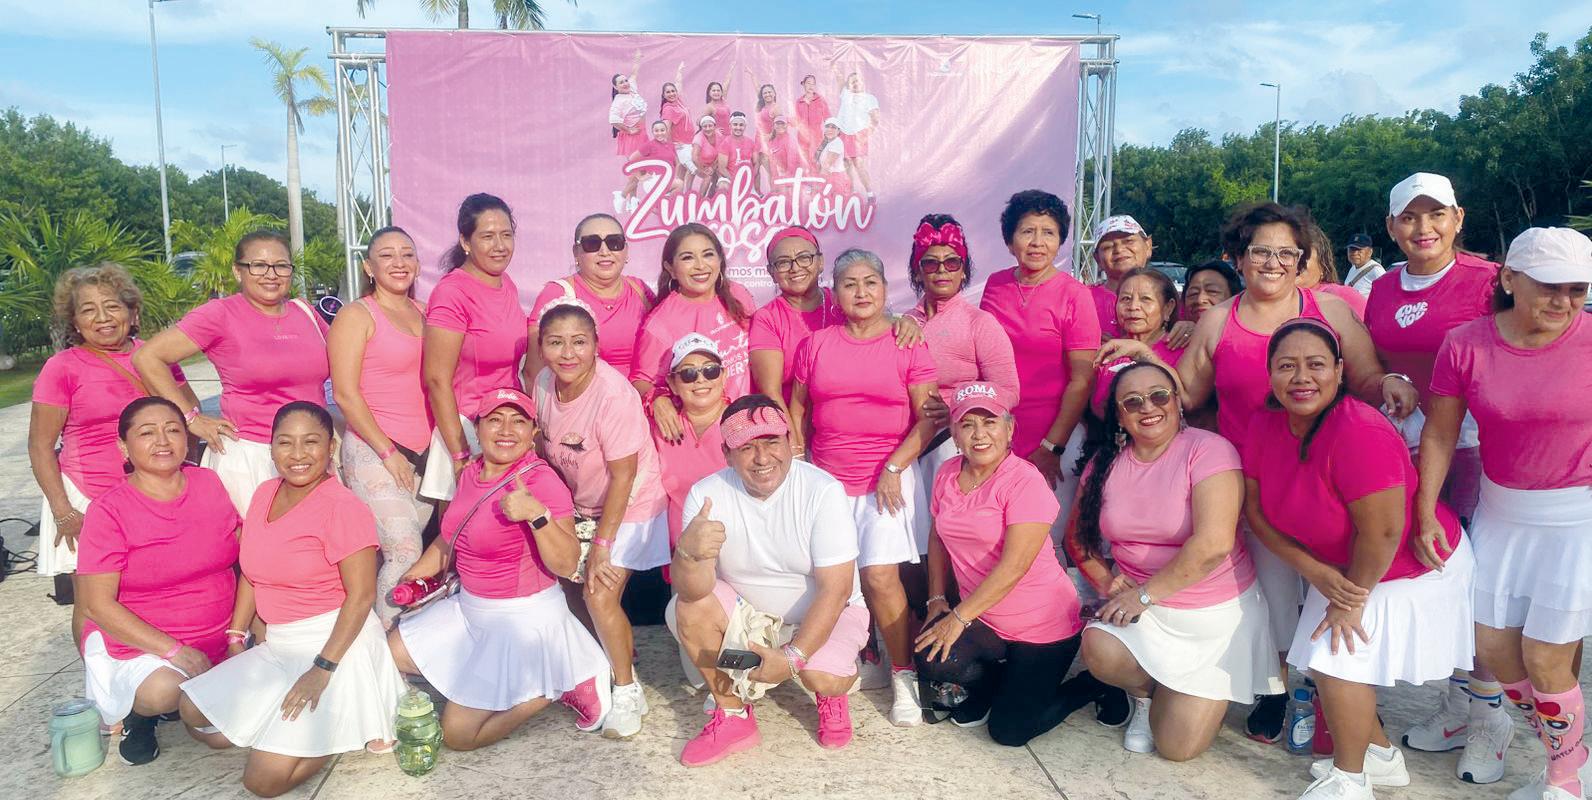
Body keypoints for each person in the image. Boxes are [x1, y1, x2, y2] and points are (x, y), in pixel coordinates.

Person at [1099, 201, 1416, 742]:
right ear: (1239, 258)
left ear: (1302, 259)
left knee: (1341, 592)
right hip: (1254, 487)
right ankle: (1282, 692)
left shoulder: (1331, 310)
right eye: (1260, 251)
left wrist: (1392, 382)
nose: (1272, 262)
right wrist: (1148, 352)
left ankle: (1347, 704)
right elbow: (1186, 395)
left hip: (1329, 482)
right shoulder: (1218, 320)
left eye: (1285, 253)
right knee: (1277, 599)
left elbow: (1365, 377)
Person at [1244, 319, 1472, 800]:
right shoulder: (1264, 423)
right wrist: (1313, 570)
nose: (1301, 377)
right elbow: (1257, 512)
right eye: (1286, 366)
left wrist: (1350, 599)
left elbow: (1384, 532)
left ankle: (1350, 779)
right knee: (1326, 661)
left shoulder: (1360, 430)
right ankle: (1382, 759)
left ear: (1340, 370)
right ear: (1270, 374)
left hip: (1405, 566)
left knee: (1335, 661)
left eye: (1315, 365)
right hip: (1337, 567)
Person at [1419, 227, 1592, 800]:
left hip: (1578, 519)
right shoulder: (1465, 344)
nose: (1564, 301)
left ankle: (1564, 779)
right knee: (1492, 651)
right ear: (1511, 279)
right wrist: (1425, 509)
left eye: (1577, 289)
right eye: (1550, 287)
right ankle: (1571, 753)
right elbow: (1440, 434)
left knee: (1546, 657)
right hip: (1501, 513)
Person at [179, 402, 405, 798]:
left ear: (330, 447)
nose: (298, 454)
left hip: (336, 644)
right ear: (270, 448)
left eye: (311, 442)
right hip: (279, 645)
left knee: (262, 781)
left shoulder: (343, 507)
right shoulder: (265, 493)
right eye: (285, 442)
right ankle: (301, 724)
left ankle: (345, 728)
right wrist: (236, 635)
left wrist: (321, 669)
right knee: (197, 716)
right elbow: (253, 571)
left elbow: (362, 596)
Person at [1365, 172, 1507, 778]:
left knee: (1481, 579)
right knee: (1437, 566)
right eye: (1409, 217)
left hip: (1475, 448)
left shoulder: (1489, 281)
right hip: (1406, 449)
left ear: (1458, 219)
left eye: (1436, 214)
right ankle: (1456, 705)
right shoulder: (1381, 288)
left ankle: (1490, 717)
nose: (1423, 228)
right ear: (1392, 226)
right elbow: (1377, 359)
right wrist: (1389, 381)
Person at [1069, 363, 1282, 760]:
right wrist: (1107, 581)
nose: (1148, 407)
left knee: (1176, 749)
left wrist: (1143, 596)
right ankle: (1144, 696)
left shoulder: (1209, 449)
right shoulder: (1105, 463)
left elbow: (1214, 544)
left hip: (1211, 615)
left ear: (1177, 402)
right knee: (1098, 648)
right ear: (1119, 416)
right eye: (1132, 402)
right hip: (1143, 609)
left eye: (1159, 396)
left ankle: (1178, 688)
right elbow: (1077, 538)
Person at [389, 387, 612, 750]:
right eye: (495, 420)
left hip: (517, 621)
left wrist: (536, 515)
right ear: (477, 429)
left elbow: (567, 563)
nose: (506, 430)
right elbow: (448, 538)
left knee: (459, 736)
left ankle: (549, 688)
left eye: (518, 421)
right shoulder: (470, 472)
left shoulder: (541, 482)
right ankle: (502, 681)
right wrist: (415, 575)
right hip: (470, 610)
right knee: (393, 652)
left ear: (532, 433)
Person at [667, 395, 871, 765]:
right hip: (752, 619)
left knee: (822, 676)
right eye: (746, 447)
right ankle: (733, 715)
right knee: (684, 609)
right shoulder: (706, 494)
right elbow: (692, 591)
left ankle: (834, 689)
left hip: (828, 613)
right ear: (727, 454)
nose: (762, 458)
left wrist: (792, 657)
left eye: (772, 442)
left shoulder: (822, 490)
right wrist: (687, 553)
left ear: (790, 441)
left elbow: (837, 589)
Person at [789, 248, 937, 727]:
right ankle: (865, 654)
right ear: (834, 292)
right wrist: (800, 464)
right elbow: (798, 408)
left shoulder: (907, 341)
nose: (861, 292)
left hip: (885, 480)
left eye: (870, 282)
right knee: (841, 581)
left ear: (885, 288)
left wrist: (894, 466)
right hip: (828, 482)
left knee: (878, 578)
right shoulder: (816, 344)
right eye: (849, 284)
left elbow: (929, 419)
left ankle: (903, 674)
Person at [914, 382, 1100, 745]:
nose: (979, 434)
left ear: (1010, 428)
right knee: (932, 655)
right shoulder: (948, 472)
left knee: (1010, 732)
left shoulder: (1025, 481)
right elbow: (937, 537)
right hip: (985, 619)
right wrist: (936, 600)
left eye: (990, 422)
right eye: (967, 425)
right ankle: (993, 686)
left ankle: (1091, 686)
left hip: (1043, 627)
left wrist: (957, 618)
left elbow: (1014, 567)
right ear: (954, 433)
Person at [76, 397, 240, 766]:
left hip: (220, 632)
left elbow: (241, 546)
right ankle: (141, 715)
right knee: (165, 690)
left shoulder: (208, 482)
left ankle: (188, 696)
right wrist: (174, 651)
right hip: (144, 644)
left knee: (227, 731)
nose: (163, 441)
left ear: (187, 440)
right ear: (123, 447)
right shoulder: (108, 510)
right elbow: (97, 605)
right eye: (147, 433)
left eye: (173, 430)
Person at [533, 301, 670, 739]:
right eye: (555, 343)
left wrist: (602, 546)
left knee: (599, 592)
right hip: (581, 504)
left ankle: (627, 691)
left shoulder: (613, 395)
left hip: (630, 505)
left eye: (579, 342)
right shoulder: (542, 382)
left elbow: (624, 475)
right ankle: (606, 662)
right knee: (567, 586)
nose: (567, 353)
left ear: (596, 345)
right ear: (541, 347)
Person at [30, 264, 193, 624]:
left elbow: (190, 420)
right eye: (88, 310)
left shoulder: (156, 358)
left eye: (113, 306)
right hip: (87, 499)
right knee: (93, 607)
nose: (102, 318)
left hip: (156, 494)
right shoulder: (62, 367)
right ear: (75, 322)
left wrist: (190, 487)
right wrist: (63, 511)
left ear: (133, 313)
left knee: (157, 594)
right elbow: (40, 446)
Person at [134, 230, 329, 514]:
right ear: (238, 271)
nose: (271, 274)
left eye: (281, 265)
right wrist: (190, 419)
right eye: (258, 266)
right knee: (254, 539)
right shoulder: (220, 314)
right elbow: (148, 357)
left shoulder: (305, 312)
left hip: (310, 453)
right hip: (251, 456)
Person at [328, 226, 434, 627]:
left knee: (409, 556)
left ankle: (395, 637)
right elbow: (345, 394)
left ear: (418, 265)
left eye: (407, 254)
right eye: (387, 255)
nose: (398, 263)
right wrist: (388, 454)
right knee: (404, 553)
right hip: (375, 450)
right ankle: (390, 649)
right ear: (368, 267)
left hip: (426, 456)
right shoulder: (357, 315)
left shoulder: (427, 313)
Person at [979, 189, 1101, 537]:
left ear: (1060, 241)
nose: (1037, 242)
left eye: (1048, 232)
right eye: (1027, 231)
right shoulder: (995, 285)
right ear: (1010, 241)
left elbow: (1082, 380)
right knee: (995, 535)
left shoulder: (1075, 295)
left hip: (1054, 434)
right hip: (998, 432)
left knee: (1045, 539)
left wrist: (1052, 447)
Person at [417, 193, 527, 503]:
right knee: (461, 528)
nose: (500, 246)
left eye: (506, 235)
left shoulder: (507, 283)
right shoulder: (452, 293)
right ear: (466, 242)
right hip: (465, 427)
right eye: (488, 236)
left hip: (505, 426)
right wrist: (459, 453)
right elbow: (436, 379)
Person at [748, 226, 921, 417]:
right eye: (783, 262)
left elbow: (876, 324)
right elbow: (771, 393)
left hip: (850, 418)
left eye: (804, 258)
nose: (795, 268)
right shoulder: (767, 318)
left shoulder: (844, 300)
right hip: (790, 423)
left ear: (820, 262)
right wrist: (792, 434)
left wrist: (905, 322)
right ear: (771, 272)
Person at [902, 214, 1019, 485]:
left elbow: (1009, 391)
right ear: (918, 271)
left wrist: (957, 407)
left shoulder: (979, 323)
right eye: (931, 263)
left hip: (951, 444)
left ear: (963, 270)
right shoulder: (905, 321)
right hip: (903, 446)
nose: (942, 270)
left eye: (952, 262)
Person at [631, 223, 755, 440]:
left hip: (750, 424)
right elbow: (639, 380)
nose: (700, 265)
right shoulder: (660, 322)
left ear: (720, 259)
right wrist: (657, 399)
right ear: (670, 268)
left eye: (708, 255)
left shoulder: (738, 295)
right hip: (702, 434)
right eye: (688, 258)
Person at [528, 214, 655, 381]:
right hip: (581, 395)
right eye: (592, 244)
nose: (605, 252)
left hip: (640, 394)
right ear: (576, 252)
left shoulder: (640, 290)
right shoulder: (557, 294)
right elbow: (535, 371)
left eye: (614, 242)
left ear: (626, 249)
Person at [654, 334, 728, 553]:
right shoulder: (660, 429)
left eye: (710, 371)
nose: (700, 380)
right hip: (681, 554)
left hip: (735, 548)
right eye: (688, 374)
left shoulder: (741, 423)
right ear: (672, 384)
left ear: (724, 376)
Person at [1089, 267, 1186, 422]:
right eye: (1125, 299)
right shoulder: (1106, 350)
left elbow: (1188, 401)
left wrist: (1143, 352)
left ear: (1168, 307)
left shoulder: (1182, 349)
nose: (1133, 306)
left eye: (1145, 299)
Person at [1300, 220, 1368, 319]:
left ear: (1322, 264)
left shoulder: (1340, 296)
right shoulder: (1352, 269)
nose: (1294, 261)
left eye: (1302, 254)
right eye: (1286, 253)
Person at [833, 68, 879, 199]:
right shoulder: (846, 94)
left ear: (862, 82)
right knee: (846, 163)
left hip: (858, 134)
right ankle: (850, 192)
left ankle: (870, 193)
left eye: (857, 81)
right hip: (843, 133)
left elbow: (875, 118)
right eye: (852, 82)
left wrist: (866, 134)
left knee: (858, 164)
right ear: (848, 85)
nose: (855, 83)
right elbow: (839, 77)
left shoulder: (869, 98)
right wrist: (834, 65)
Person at [617, 120, 682, 213]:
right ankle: (654, 205)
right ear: (652, 132)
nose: (659, 133)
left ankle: (655, 206)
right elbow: (631, 159)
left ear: (666, 131)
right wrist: (640, 176)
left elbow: (677, 163)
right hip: (653, 180)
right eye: (656, 131)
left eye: (662, 130)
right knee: (679, 184)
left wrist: (675, 176)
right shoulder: (650, 145)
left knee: (677, 188)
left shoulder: (670, 145)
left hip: (666, 179)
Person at [609, 51, 646, 158]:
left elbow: (634, 74)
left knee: (644, 164)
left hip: (642, 133)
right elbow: (613, 120)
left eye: (626, 81)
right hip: (633, 137)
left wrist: (637, 59)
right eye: (621, 82)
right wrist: (629, 130)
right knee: (636, 165)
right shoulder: (619, 101)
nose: (625, 83)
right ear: (615, 87)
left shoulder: (631, 89)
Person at [794, 73, 830, 164]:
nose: (811, 86)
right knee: (804, 163)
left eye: (813, 84)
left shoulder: (820, 100)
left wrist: (829, 135)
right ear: (803, 84)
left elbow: (828, 119)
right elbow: (797, 120)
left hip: (817, 136)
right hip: (802, 136)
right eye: (808, 83)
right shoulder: (799, 102)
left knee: (816, 162)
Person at [690, 115, 729, 196]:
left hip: (712, 163)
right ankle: (699, 200)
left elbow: (721, 154)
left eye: (710, 126)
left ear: (714, 126)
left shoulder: (719, 135)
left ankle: (711, 196)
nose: (707, 129)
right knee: (707, 176)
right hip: (697, 164)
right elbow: (694, 158)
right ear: (701, 128)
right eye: (705, 126)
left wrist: (713, 167)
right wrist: (704, 169)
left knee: (720, 173)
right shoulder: (698, 138)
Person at [816, 119, 851, 196]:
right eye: (827, 126)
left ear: (838, 131)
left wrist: (818, 185)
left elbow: (826, 166)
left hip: (835, 181)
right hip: (831, 179)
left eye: (833, 127)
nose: (829, 129)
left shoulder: (836, 143)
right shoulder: (829, 142)